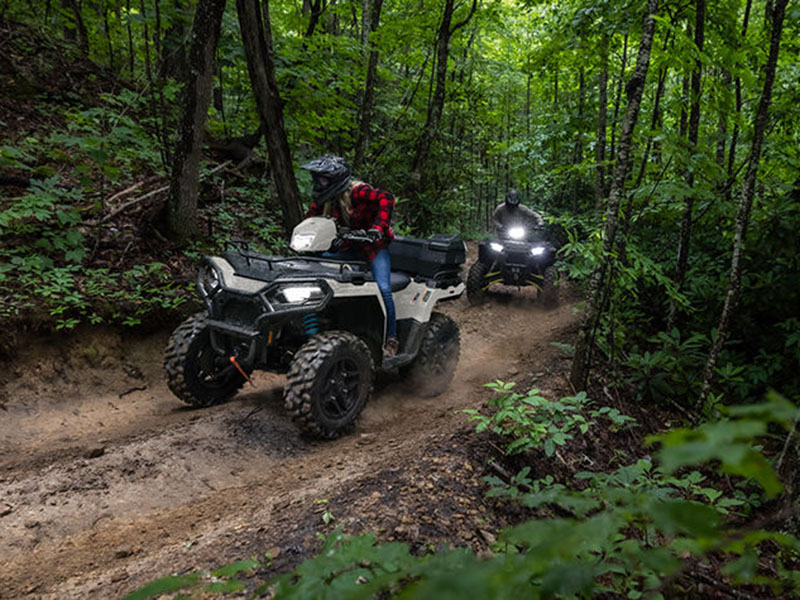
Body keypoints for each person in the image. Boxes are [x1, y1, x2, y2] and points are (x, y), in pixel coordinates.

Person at [301, 155, 399, 358]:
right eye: (316, 179)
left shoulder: (358, 191)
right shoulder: (326, 199)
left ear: (336, 178)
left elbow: (386, 198)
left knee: (383, 289)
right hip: (347, 247)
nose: (318, 184)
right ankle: (313, 330)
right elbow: (311, 218)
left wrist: (377, 228)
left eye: (322, 180)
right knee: (310, 273)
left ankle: (391, 338)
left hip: (374, 248)